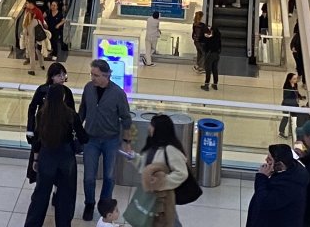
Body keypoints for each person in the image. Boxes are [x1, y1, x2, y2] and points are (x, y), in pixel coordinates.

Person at [79, 58, 134, 221]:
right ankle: (89, 203)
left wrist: (127, 142)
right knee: (89, 176)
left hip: (110, 140)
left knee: (109, 177)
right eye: (91, 74)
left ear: (106, 75)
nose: (92, 78)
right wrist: (77, 131)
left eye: (95, 75)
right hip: (91, 139)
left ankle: (104, 205)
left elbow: (126, 118)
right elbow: (82, 110)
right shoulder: (88, 89)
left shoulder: (118, 94)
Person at [25, 81, 78, 227]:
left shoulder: (42, 114)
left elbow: (37, 138)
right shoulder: (70, 114)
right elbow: (82, 136)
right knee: (65, 196)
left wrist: (36, 158)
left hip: (47, 157)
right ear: (62, 97)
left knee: (40, 195)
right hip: (66, 159)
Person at [136, 113, 190, 227]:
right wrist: (134, 158)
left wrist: (162, 181)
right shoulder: (153, 145)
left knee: (169, 220)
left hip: (165, 198)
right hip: (152, 196)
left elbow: (182, 173)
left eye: (152, 125)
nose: (149, 127)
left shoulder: (170, 150)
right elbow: (147, 164)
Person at [247, 144, 310, 227]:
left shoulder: (290, 185)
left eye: (269, 159)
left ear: (280, 165)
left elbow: (265, 201)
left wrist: (262, 177)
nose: (266, 160)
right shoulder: (293, 172)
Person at [198, 24, 222, 90]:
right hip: (217, 55)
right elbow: (220, 47)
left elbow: (201, 41)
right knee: (215, 69)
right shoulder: (218, 38)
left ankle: (206, 85)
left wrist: (204, 35)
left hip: (210, 54)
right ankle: (215, 84)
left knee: (208, 69)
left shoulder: (210, 38)